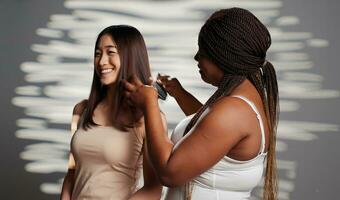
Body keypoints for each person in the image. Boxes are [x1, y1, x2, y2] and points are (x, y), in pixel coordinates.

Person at [124, 7, 279, 200]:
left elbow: (169, 173)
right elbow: (209, 134)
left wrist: (149, 104)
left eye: (203, 52)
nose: (196, 58)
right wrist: (180, 94)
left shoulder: (233, 112)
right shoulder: (243, 103)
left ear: (224, 55)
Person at [60, 25, 162, 200]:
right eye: (98, 53)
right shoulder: (81, 110)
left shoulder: (148, 117)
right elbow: (72, 171)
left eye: (111, 52)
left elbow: (153, 190)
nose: (101, 62)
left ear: (130, 56)